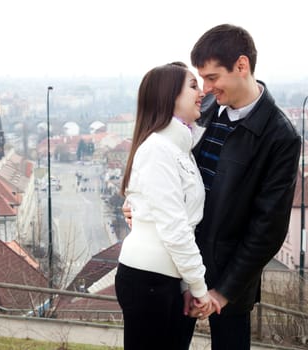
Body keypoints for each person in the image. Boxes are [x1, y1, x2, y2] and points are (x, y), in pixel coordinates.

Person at [123, 24, 301, 350]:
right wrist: (141, 203)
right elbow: (162, 167)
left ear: (242, 66)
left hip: (229, 279)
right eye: (200, 79)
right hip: (177, 265)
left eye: (212, 77)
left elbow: (268, 228)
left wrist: (223, 291)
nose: (205, 88)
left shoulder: (280, 136)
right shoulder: (200, 110)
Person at [115, 61, 221, 349]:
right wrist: (199, 288)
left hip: (167, 280)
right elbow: (175, 229)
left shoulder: (178, 148)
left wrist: (188, 285)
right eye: (193, 86)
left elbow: (183, 223)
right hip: (147, 279)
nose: (202, 92)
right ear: (169, 96)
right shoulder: (157, 150)